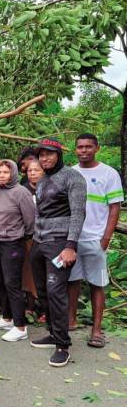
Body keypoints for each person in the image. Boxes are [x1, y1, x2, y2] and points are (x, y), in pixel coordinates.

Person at [29, 138, 86, 367]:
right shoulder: (43, 181)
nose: (44, 158)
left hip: (60, 243)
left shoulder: (73, 177)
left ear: (59, 154)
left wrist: (70, 246)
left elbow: (78, 213)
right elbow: (41, 213)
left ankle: (63, 345)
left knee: (56, 290)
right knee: (42, 290)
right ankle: (52, 333)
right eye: (41, 155)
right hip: (39, 242)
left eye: (49, 154)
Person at [68, 133, 123, 348]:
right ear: (75, 150)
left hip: (96, 240)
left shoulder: (109, 173)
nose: (83, 151)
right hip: (73, 240)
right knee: (71, 281)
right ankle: (70, 321)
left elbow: (114, 207)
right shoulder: (71, 173)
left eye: (88, 147)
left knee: (97, 284)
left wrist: (105, 239)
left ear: (97, 148)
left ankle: (97, 330)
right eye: (80, 147)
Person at [0, 160, 35, 341]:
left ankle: (20, 327)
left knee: (12, 283)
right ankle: (7, 318)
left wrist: (22, 236)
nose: (1, 176)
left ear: (13, 173)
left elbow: (30, 220)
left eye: (5, 172)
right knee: (0, 281)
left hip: (12, 244)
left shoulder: (21, 192)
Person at [22, 159, 45, 319]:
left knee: (45, 274)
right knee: (29, 273)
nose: (32, 173)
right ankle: (30, 306)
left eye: (36, 170)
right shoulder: (23, 190)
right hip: (28, 238)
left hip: (47, 237)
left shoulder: (51, 188)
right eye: (30, 170)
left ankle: (45, 309)